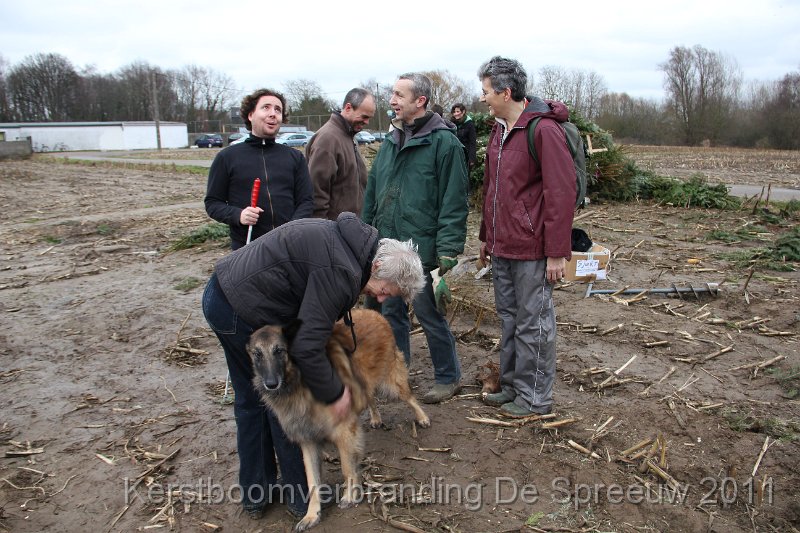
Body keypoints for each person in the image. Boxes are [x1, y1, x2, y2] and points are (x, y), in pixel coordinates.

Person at [202, 212, 426, 519]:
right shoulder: (341, 271)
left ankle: (257, 493)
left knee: (251, 403)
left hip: (223, 292)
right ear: (376, 267)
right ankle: (302, 497)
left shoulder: (349, 245)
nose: (382, 299)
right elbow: (307, 345)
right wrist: (336, 393)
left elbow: (311, 320)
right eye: (386, 291)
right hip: (239, 310)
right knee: (286, 401)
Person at [476, 56, 576, 417]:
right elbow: (491, 189)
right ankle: (513, 387)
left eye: (487, 91)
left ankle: (535, 398)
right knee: (510, 321)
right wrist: (486, 237)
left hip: (532, 249)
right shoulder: (499, 130)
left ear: (505, 93)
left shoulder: (543, 130)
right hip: (503, 246)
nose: (483, 98)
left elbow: (561, 193)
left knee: (534, 324)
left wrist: (556, 252)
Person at [362, 72, 469, 404]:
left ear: (420, 101)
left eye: (399, 95)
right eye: (392, 94)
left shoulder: (445, 144)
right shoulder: (391, 141)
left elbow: (454, 200)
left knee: (429, 314)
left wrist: (447, 251)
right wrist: (364, 235)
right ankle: (398, 375)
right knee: (389, 313)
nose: (392, 100)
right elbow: (373, 191)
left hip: (422, 249)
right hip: (387, 245)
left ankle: (448, 377)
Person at [205, 88, 313, 250]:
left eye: (278, 110)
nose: (273, 114)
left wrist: (292, 230)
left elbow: (306, 201)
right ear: (250, 115)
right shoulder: (227, 157)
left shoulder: (295, 157)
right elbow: (213, 203)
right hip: (248, 248)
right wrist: (238, 215)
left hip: (289, 247)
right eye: (266, 107)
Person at [306, 88, 376, 220]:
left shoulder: (349, 136)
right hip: (334, 228)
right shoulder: (328, 140)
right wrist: (322, 230)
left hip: (351, 226)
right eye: (364, 116)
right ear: (348, 108)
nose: (367, 122)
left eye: (369, 118)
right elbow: (316, 194)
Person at [451, 103, 477, 171]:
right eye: (454, 112)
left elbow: (472, 142)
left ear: (463, 112)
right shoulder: (451, 123)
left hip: (465, 155)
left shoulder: (469, 124)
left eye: (458, 111)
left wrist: (472, 159)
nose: (455, 114)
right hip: (454, 155)